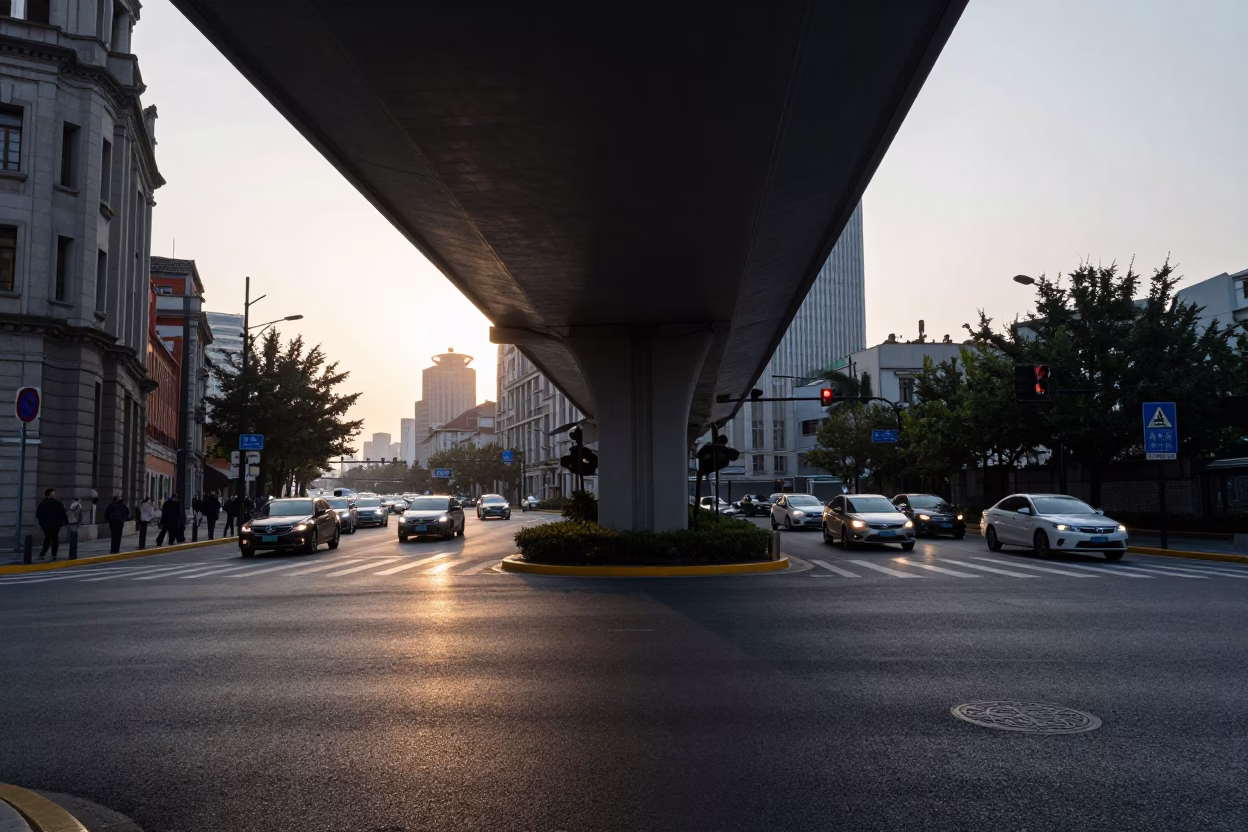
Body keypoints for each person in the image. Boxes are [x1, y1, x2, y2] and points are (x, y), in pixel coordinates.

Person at [35, 488, 68, 560]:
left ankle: (44, 553)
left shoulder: (43, 503)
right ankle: (53, 554)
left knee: (48, 538)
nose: (54, 494)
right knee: (54, 538)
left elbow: (38, 514)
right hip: (54, 524)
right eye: (52, 493)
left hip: (48, 525)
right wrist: (65, 522)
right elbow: (63, 513)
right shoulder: (56, 503)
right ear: (48, 494)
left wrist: (41, 523)